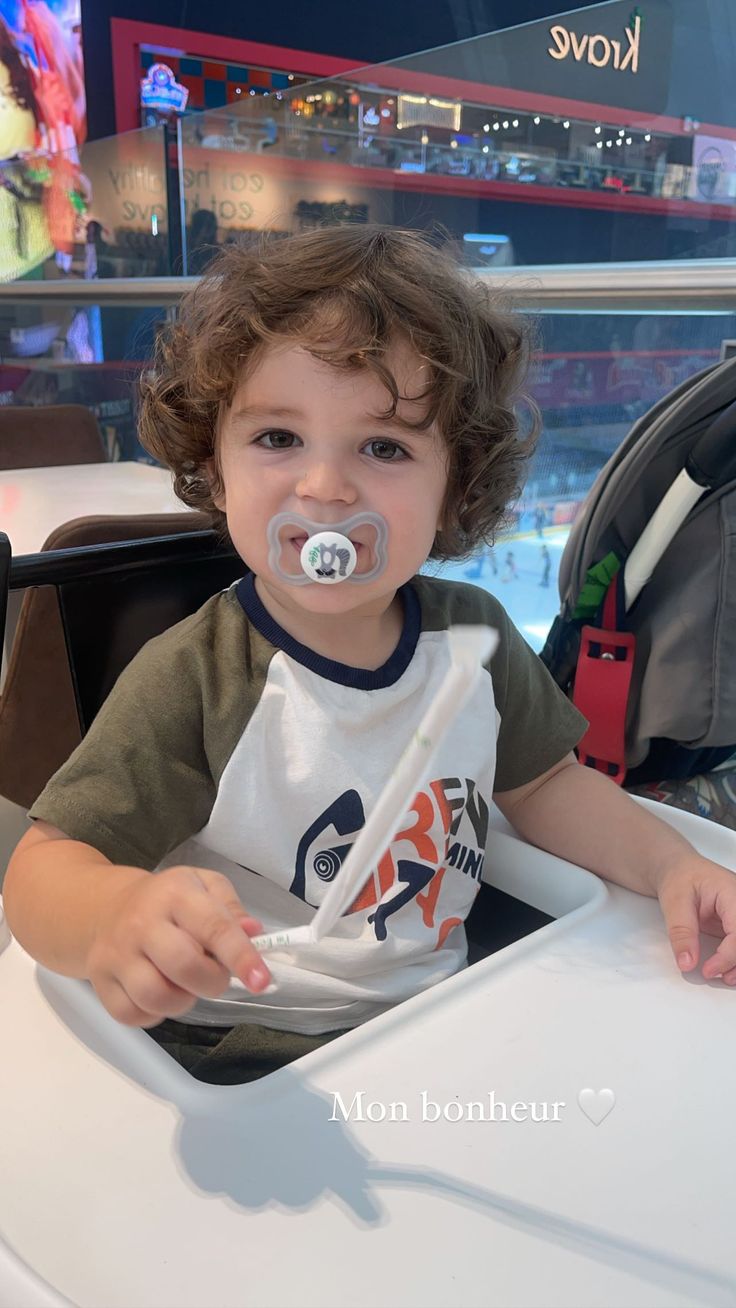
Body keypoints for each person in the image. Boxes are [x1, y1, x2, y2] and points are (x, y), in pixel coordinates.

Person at [5, 226, 736, 1087]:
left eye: (384, 448)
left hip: (445, 1020)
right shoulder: (196, 680)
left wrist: (674, 865)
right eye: (278, 437)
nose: (324, 488)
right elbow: (40, 873)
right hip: (247, 1049)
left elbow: (544, 788)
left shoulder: (475, 639)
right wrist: (114, 916)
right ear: (217, 463)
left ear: (454, 486)